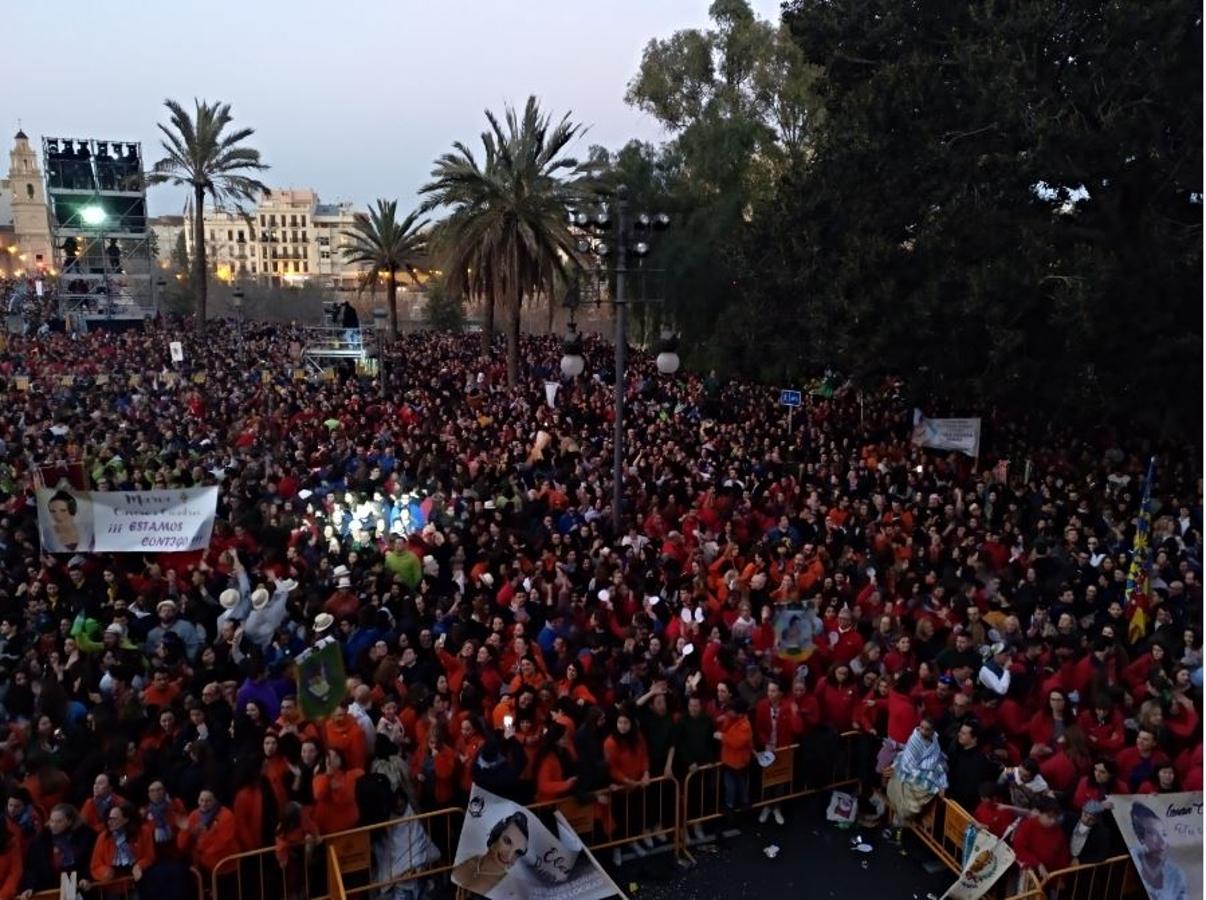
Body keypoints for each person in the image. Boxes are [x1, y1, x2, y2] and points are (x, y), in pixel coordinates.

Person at [885, 718, 948, 838]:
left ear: (932, 731)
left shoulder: (935, 741)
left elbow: (935, 759)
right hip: (910, 772)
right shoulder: (914, 739)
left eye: (927, 729)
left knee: (935, 778)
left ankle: (900, 824)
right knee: (909, 796)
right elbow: (908, 761)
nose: (923, 731)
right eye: (921, 727)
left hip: (924, 772)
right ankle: (899, 821)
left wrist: (940, 781)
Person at [19, 802, 96, 896]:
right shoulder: (41, 841)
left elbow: (90, 861)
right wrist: (29, 887)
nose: (53, 825)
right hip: (51, 891)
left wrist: (86, 878)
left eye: (59, 821)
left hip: (79, 889)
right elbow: (32, 869)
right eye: (52, 820)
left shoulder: (86, 837)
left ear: (69, 821)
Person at [451, 810, 529, 897]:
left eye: (517, 852)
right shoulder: (470, 859)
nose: (509, 855)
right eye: (507, 841)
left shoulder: (509, 888)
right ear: (496, 834)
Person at [1130, 801, 1189, 900]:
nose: (1162, 841)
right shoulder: (1134, 858)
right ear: (1141, 838)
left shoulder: (1177, 875)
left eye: (1164, 833)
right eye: (1153, 833)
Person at [89, 801, 153, 887]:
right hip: (112, 885)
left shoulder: (144, 831)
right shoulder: (103, 837)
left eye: (114, 819)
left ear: (126, 819)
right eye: (109, 819)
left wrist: (139, 866)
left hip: (138, 881)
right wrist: (105, 872)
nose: (109, 822)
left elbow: (149, 856)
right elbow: (95, 865)